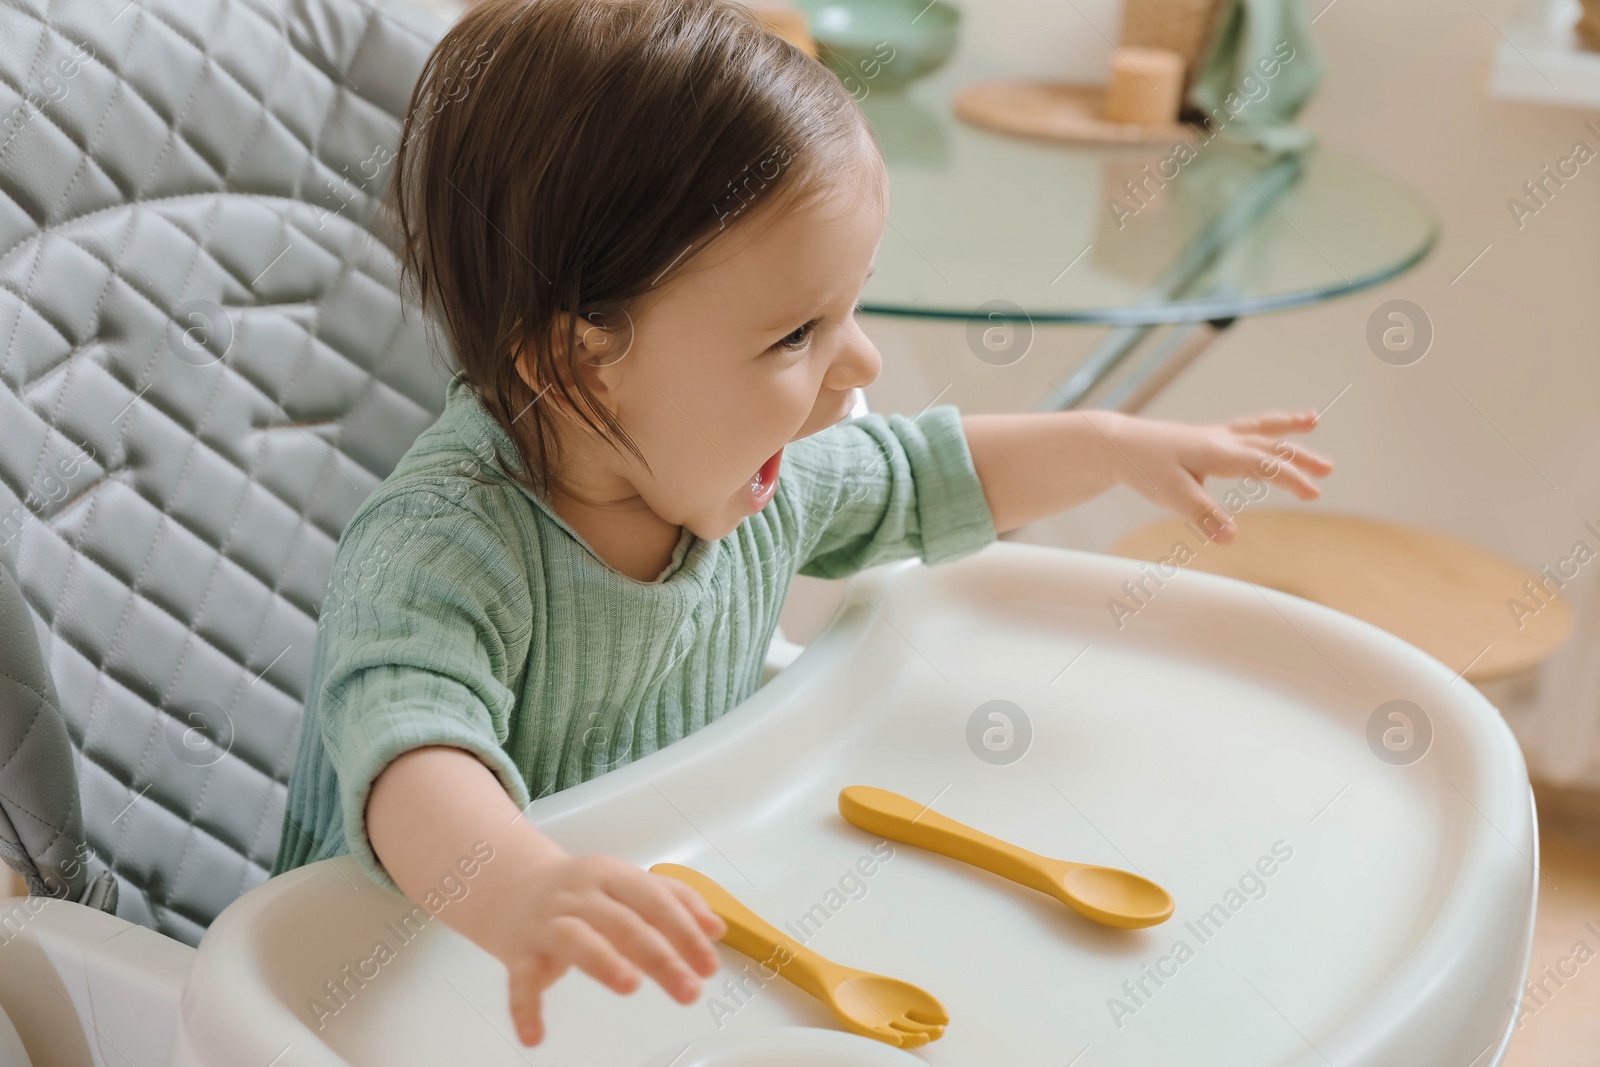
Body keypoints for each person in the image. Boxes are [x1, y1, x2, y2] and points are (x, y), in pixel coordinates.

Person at [272, 0, 1333, 1045]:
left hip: (666, 944)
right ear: (576, 357)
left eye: (850, 307)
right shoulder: (446, 545)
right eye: (796, 334)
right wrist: (522, 890)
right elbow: (412, 754)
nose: (860, 366)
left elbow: (927, 474)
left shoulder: (754, 481)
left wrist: (1107, 444)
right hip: (410, 988)